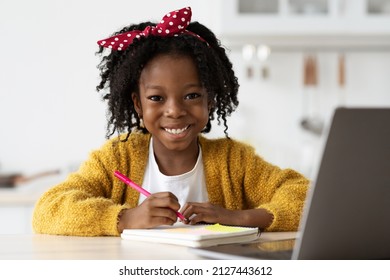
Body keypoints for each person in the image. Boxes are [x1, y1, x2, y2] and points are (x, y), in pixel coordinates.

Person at [32, 7, 309, 236]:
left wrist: (235, 216)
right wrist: (126, 218)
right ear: (138, 103)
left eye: (191, 95)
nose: (175, 110)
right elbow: (48, 209)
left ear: (209, 100)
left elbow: (307, 196)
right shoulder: (117, 159)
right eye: (156, 98)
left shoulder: (233, 162)